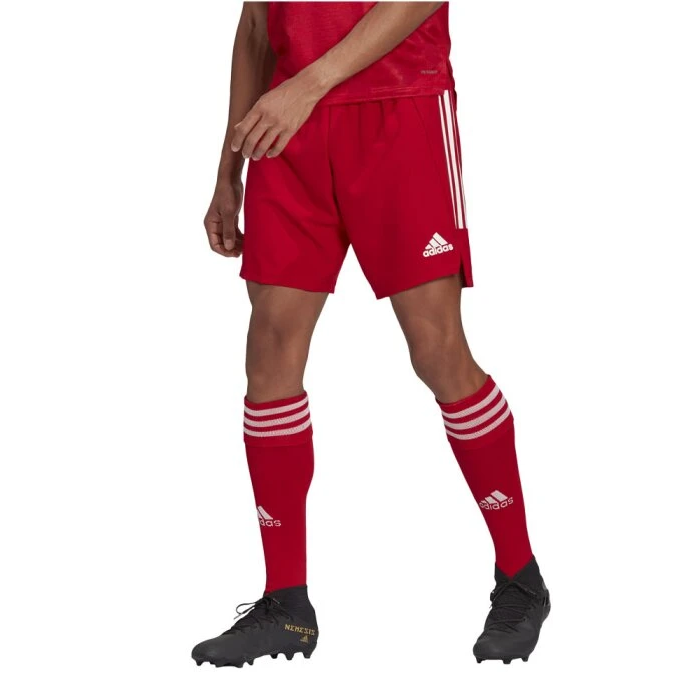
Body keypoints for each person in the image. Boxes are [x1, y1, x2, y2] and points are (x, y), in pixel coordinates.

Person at [192, 1, 550, 668]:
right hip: (286, 128)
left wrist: (308, 84)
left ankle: (520, 576)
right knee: (269, 351)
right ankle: (286, 603)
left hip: (399, 111)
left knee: (438, 351)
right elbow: (256, 25)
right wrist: (227, 170)